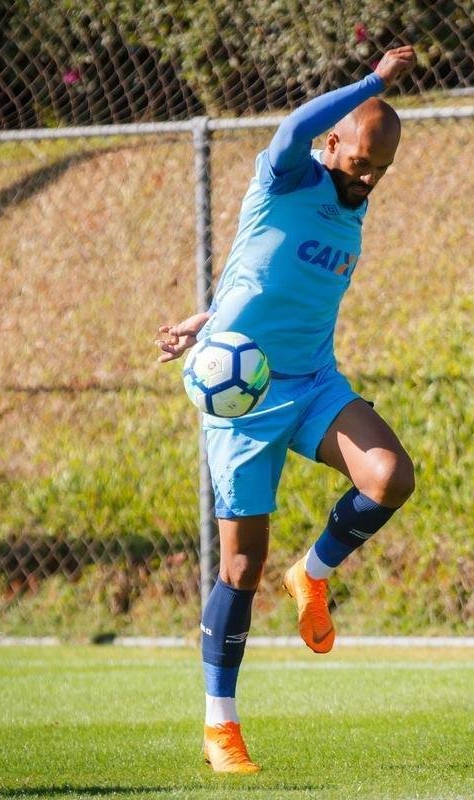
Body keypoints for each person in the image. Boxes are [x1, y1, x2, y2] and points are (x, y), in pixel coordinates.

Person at [155, 45, 417, 775]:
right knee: (240, 567)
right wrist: (373, 83)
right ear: (331, 144)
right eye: (360, 162)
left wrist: (208, 316)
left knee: (390, 477)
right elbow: (293, 123)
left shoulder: (350, 213)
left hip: (311, 384)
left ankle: (315, 573)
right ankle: (221, 729)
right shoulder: (285, 175)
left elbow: (265, 276)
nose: (368, 179)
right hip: (243, 402)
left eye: (380, 171)